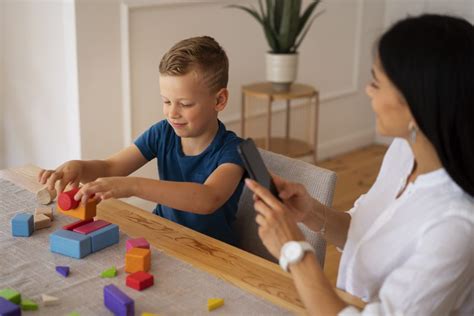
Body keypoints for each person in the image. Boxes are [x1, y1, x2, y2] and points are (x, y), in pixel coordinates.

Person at [245, 14, 474, 315]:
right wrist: (311, 212)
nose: (367, 90)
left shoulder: (456, 227)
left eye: (377, 83)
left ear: (417, 105)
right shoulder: (404, 151)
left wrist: (294, 251)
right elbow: (365, 232)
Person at [38, 36, 245, 245]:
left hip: (213, 251)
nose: (172, 113)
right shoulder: (162, 133)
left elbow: (208, 198)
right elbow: (110, 168)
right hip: (163, 236)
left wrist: (134, 186)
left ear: (219, 100)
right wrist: (79, 167)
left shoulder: (234, 150)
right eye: (166, 101)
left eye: (185, 104)